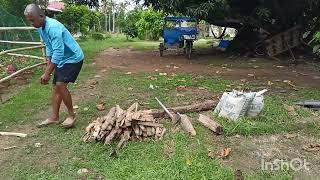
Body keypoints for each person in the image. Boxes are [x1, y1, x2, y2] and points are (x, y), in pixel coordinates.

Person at [24, 4, 84, 128]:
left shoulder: (53, 27)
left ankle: (71, 115)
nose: (32, 24)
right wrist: (48, 64)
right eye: (29, 21)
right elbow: (49, 47)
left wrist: (47, 73)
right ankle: (54, 117)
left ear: (41, 16)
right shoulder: (41, 27)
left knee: (60, 84)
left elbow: (59, 51)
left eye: (32, 20)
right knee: (56, 87)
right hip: (62, 59)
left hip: (73, 58)